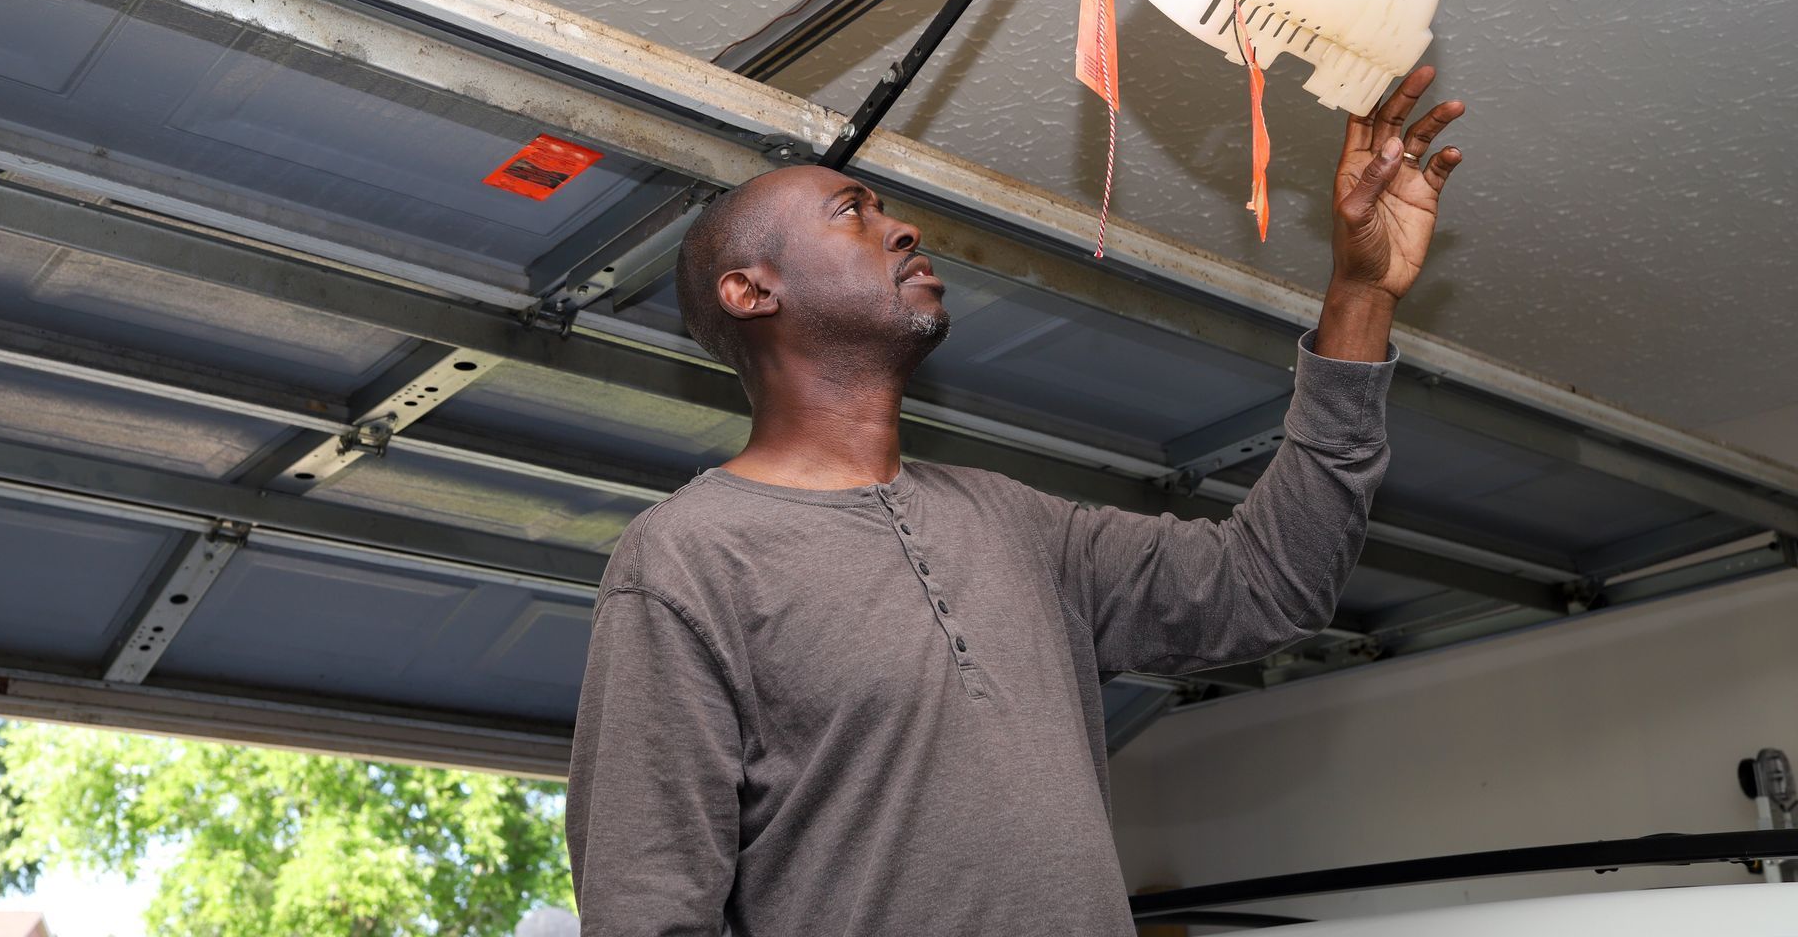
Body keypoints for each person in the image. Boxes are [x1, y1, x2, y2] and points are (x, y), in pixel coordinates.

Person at [567, 68, 1466, 935]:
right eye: (852, 211)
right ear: (751, 290)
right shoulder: (688, 557)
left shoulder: (1016, 521)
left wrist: (1359, 297)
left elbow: (1268, 585)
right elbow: (647, 910)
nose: (903, 228)